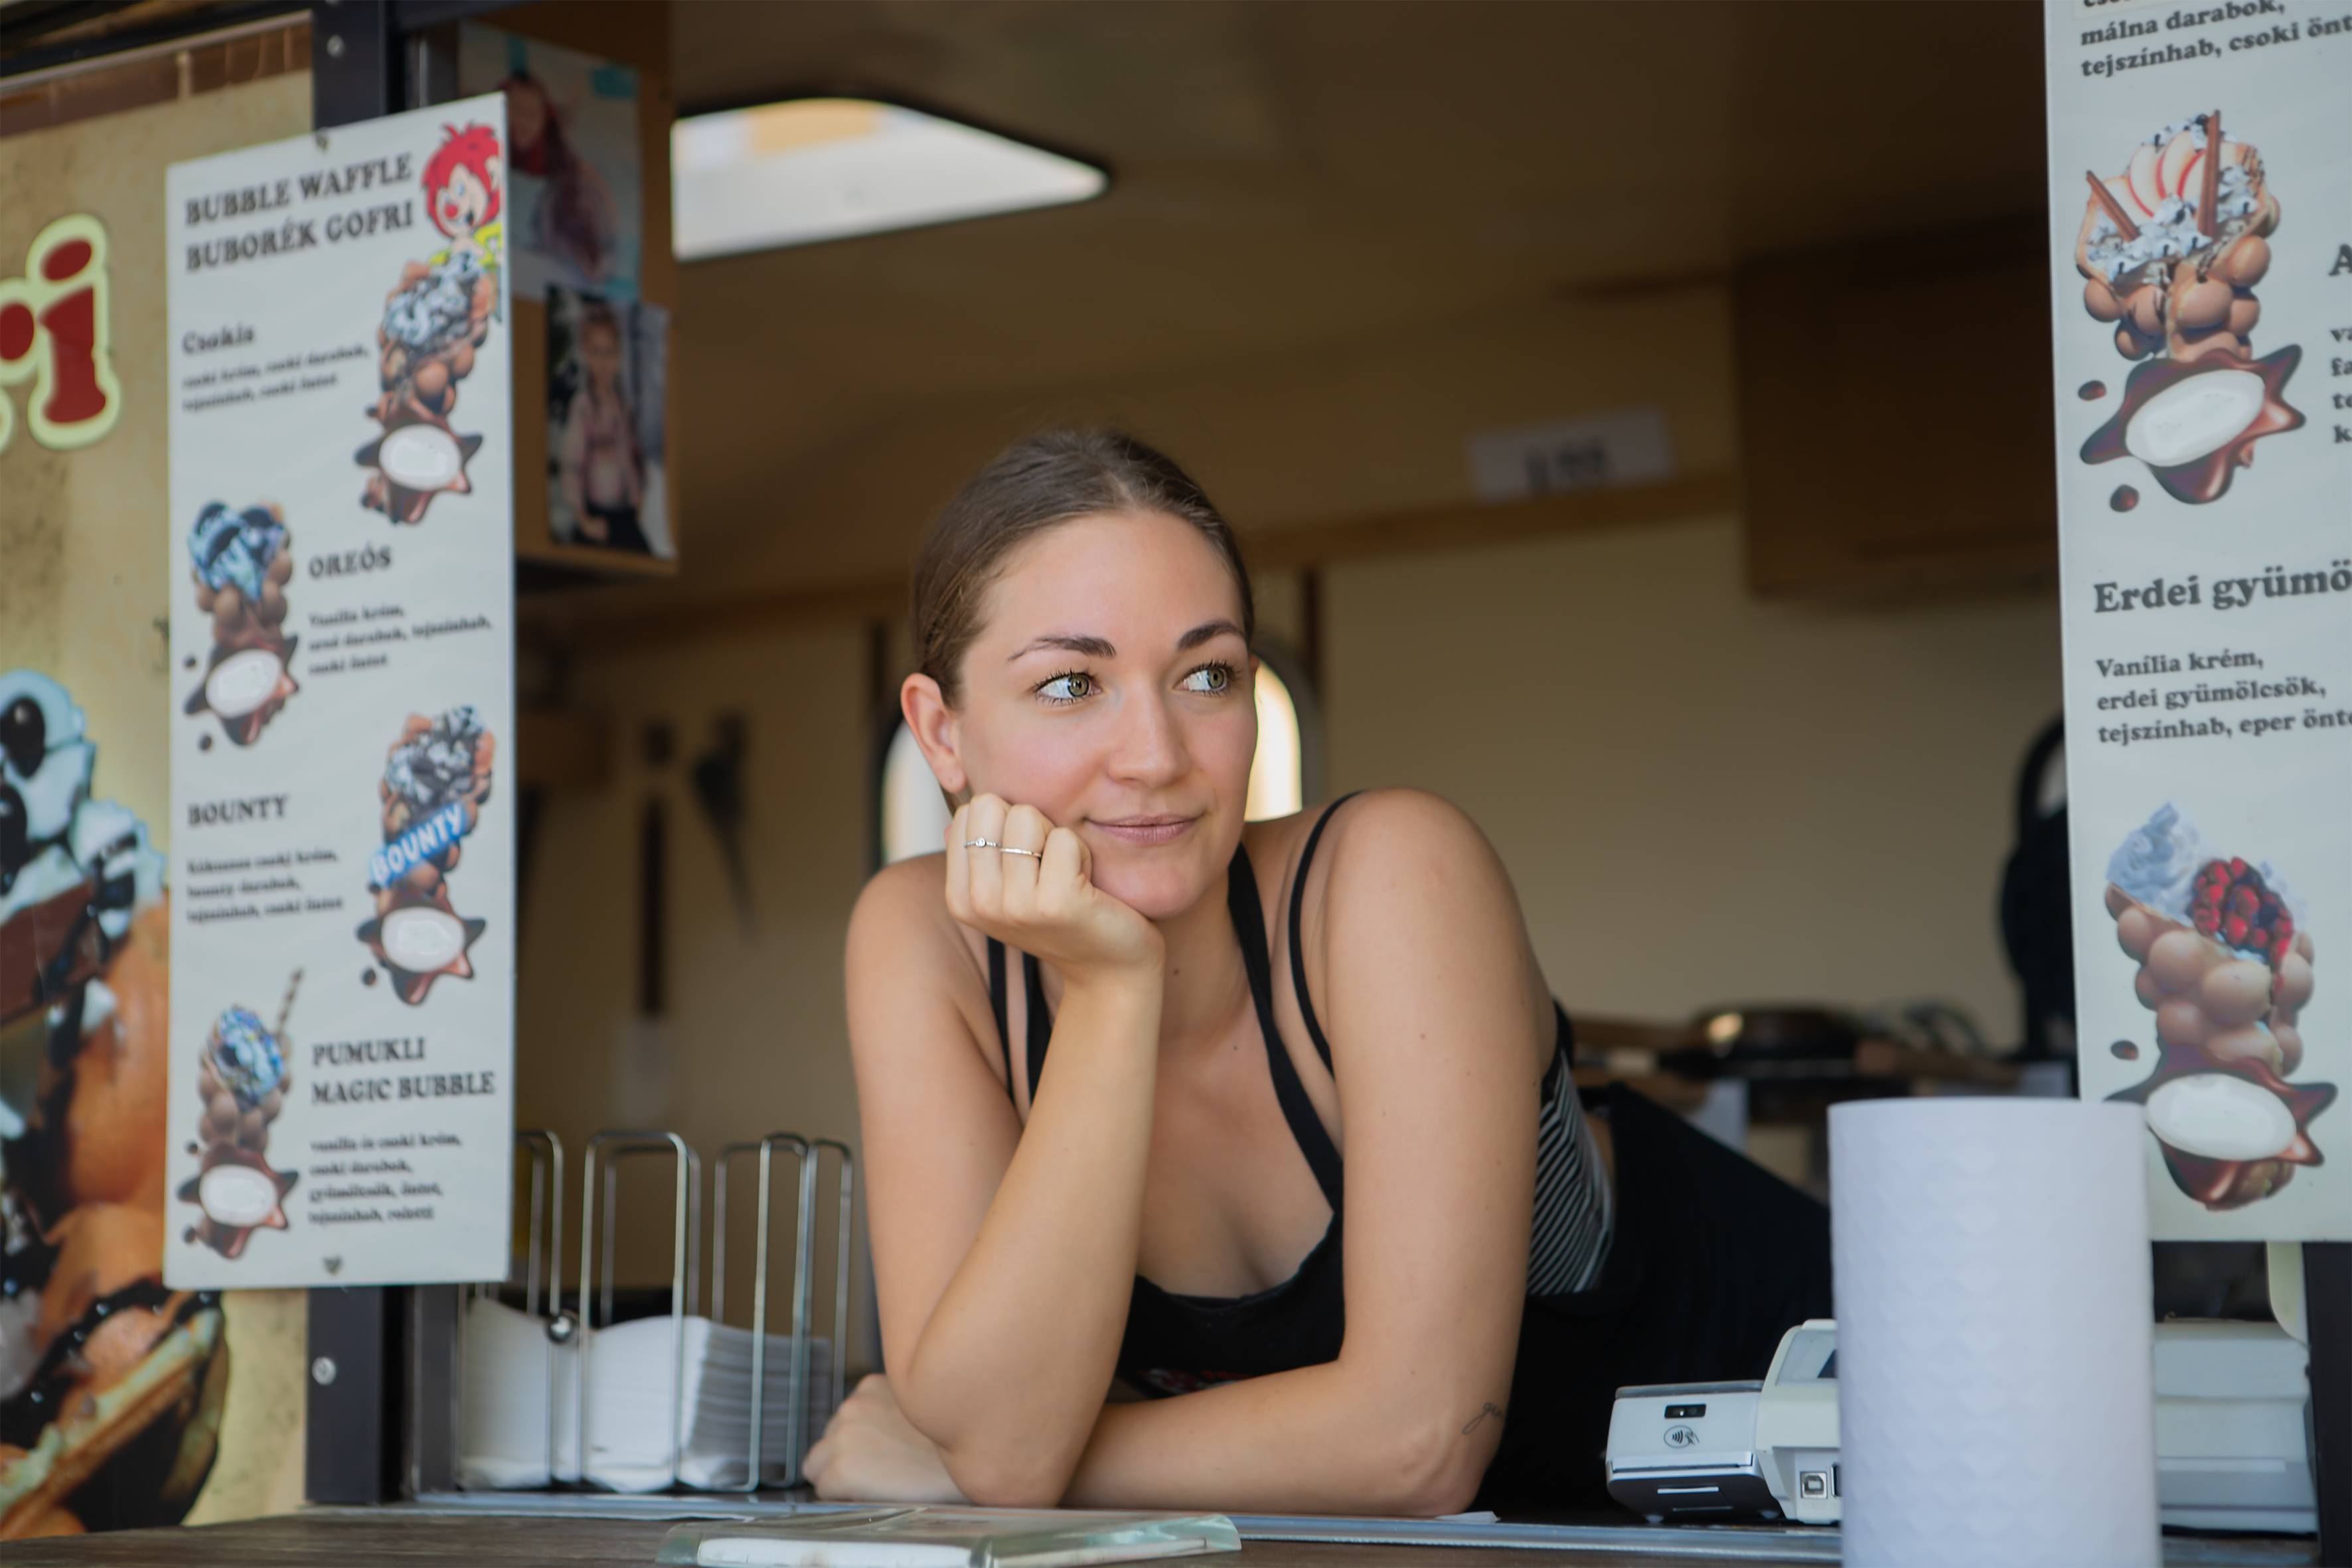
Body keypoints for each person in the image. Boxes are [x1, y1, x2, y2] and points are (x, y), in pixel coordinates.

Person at [810, 430, 1832, 1515]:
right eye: (1071, 683)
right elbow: (1005, 1441)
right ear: (940, 733)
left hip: (1833, 1434)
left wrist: (969, 1474)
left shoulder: (1392, 872)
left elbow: (1418, 1444)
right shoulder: (920, 939)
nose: (1155, 754)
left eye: (1205, 675)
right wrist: (1113, 992)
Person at [556, 304, 647, 554]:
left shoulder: (623, 405)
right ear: (585, 354)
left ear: (619, 355)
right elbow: (572, 467)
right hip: (596, 519)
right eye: (597, 352)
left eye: (610, 352)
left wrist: (638, 498)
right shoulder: (583, 406)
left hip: (626, 515)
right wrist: (583, 518)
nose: (604, 361)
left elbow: (633, 456)